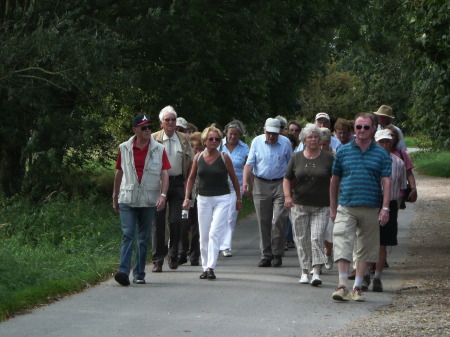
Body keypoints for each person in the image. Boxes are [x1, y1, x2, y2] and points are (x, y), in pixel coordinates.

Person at [330, 112, 391, 302]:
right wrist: (332, 207)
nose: (362, 130)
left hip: (371, 205)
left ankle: (357, 287)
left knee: (365, 246)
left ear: (373, 129)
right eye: (358, 127)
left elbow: (387, 182)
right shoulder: (343, 151)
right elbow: (334, 181)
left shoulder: (381, 153)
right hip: (346, 204)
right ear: (354, 129)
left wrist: (385, 208)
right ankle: (342, 285)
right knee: (342, 241)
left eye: (366, 127)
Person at [112, 114, 170, 286]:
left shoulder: (158, 149)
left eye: (149, 127)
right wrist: (115, 196)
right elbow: (119, 172)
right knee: (128, 234)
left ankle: (139, 273)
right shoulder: (124, 148)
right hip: (128, 198)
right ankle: (123, 271)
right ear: (134, 130)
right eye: (143, 128)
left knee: (143, 237)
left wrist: (163, 195)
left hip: (148, 199)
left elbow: (164, 173)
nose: (147, 131)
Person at [182, 126, 242, 280]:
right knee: (204, 234)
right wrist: (187, 197)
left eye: (217, 139)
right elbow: (191, 178)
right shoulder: (198, 157)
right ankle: (204, 266)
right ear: (205, 141)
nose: (214, 141)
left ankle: (211, 267)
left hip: (223, 198)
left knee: (215, 232)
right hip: (203, 198)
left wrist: (239, 199)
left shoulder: (224, 157)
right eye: (211, 139)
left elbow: (234, 178)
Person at [284, 124, 334, 286]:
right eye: (310, 137)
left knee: (316, 238)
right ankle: (304, 271)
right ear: (304, 140)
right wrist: (287, 196)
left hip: (322, 205)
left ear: (320, 140)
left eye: (316, 137)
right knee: (301, 239)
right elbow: (287, 179)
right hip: (299, 205)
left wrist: (335, 202)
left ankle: (316, 271)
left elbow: (335, 181)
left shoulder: (328, 158)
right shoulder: (296, 157)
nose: (313, 139)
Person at [243, 118, 292, 267]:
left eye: (274, 134)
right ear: (264, 130)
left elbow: (291, 165)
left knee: (278, 219)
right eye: (269, 133)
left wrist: (291, 188)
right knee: (263, 220)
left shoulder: (285, 143)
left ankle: (277, 252)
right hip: (260, 183)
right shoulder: (257, 142)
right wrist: (245, 181)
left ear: (280, 132)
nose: (271, 136)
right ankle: (266, 254)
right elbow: (250, 163)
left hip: (280, 183)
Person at [151, 106, 194, 272]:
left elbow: (191, 162)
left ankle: (173, 254)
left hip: (177, 182)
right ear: (161, 122)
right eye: (167, 120)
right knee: (158, 223)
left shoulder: (183, 138)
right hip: (158, 183)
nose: (170, 123)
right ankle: (157, 260)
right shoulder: (154, 138)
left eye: (173, 120)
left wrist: (187, 182)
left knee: (177, 220)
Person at [372, 129, 407, 292]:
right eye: (381, 142)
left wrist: (394, 206)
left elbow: (400, 187)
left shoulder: (398, 163)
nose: (384, 144)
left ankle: (377, 276)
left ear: (391, 143)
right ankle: (364, 273)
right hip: (371, 202)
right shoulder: (369, 160)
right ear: (376, 142)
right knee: (366, 240)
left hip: (390, 203)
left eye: (387, 141)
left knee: (382, 243)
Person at [220, 120, 249, 257]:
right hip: (218, 187)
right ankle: (216, 242)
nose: (233, 137)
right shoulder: (217, 144)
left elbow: (248, 167)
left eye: (236, 134)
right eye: (231, 134)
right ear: (226, 133)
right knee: (218, 216)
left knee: (231, 216)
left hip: (235, 187)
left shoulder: (244, 148)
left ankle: (226, 246)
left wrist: (248, 184)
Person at [178, 132, 204, 266]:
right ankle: (182, 252)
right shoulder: (186, 160)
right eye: (194, 148)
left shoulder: (204, 160)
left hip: (199, 198)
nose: (196, 150)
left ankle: (195, 255)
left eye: (199, 148)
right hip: (186, 198)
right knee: (183, 224)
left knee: (196, 228)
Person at [386, 125, 418, 204]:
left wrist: (413, 188)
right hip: (379, 195)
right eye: (387, 135)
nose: (389, 138)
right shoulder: (376, 153)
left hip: (396, 194)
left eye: (392, 135)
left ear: (396, 138)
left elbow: (409, 173)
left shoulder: (401, 153)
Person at [319, 127, 335, 270]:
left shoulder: (335, 157)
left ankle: (328, 252)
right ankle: (316, 262)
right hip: (315, 199)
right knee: (317, 232)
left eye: (324, 144)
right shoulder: (312, 156)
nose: (321, 147)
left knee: (328, 232)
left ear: (329, 143)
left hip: (331, 200)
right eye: (319, 144)